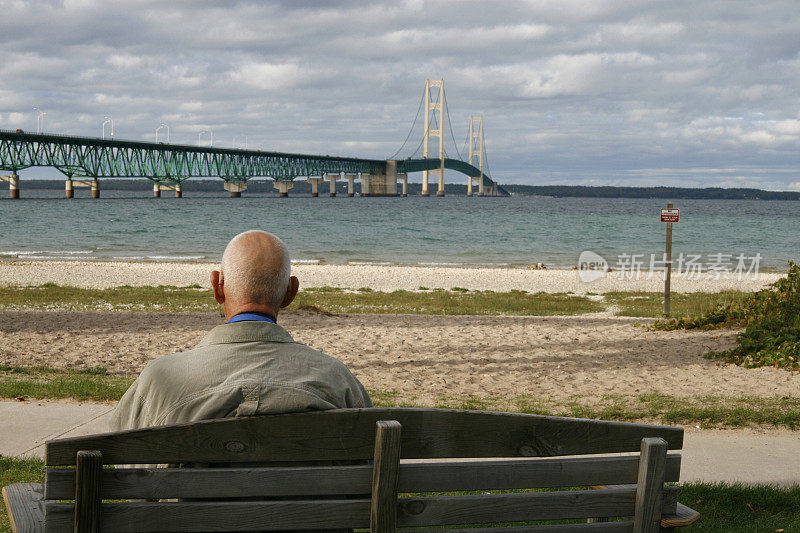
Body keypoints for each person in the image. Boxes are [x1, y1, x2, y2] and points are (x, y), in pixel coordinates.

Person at [110, 230, 372, 431]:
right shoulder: (339, 381)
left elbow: (123, 466)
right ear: (290, 293)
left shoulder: (159, 380)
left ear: (217, 287)